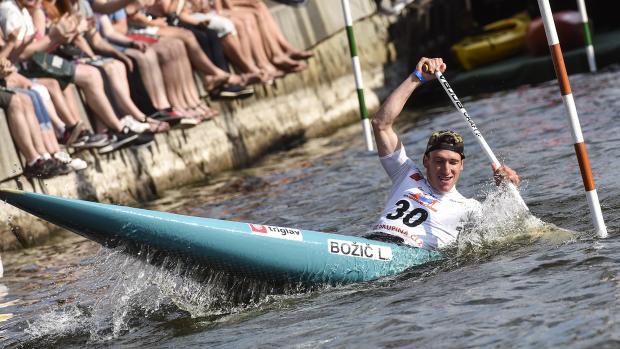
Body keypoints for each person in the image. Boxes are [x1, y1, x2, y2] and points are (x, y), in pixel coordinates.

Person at [368, 57, 520, 250]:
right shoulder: (405, 174)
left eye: (453, 162)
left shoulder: (469, 208)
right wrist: (416, 78)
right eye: (439, 161)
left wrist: (508, 191)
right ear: (426, 161)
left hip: (409, 255)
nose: (446, 169)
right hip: (372, 243)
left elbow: (508, 231)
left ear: (462, 165)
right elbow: (380, 124)